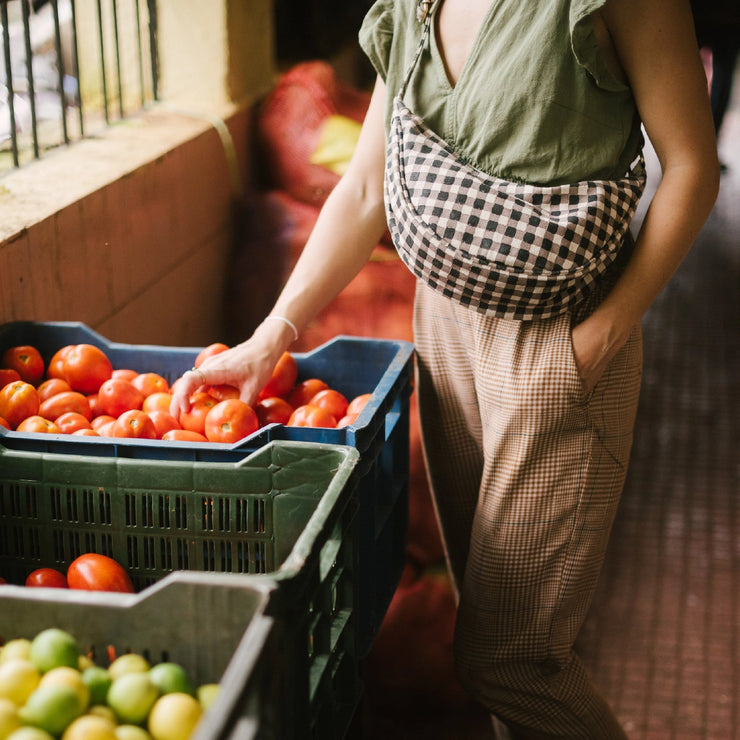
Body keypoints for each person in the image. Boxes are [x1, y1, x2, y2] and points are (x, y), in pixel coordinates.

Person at [172, 1, 719, 737]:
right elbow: (366, 187)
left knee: (512, 662)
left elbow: (690, 166)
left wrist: (594, 345)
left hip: (557, 344)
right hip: (444, 333)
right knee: (489, 635)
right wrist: (272, 336)